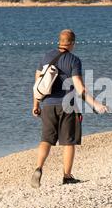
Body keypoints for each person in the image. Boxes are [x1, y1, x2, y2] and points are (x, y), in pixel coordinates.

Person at [31, 29, 108, 188]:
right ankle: (67, 176)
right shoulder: (74, 60)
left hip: (47, 105)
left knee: (46, 140)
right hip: (68, 106)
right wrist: (96, 104)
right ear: (72, 43)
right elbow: (80, 88)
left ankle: (38, 168)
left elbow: (37, 83)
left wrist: (36, 105)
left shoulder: (47, 57)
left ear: (59, 41)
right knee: (68, 142)